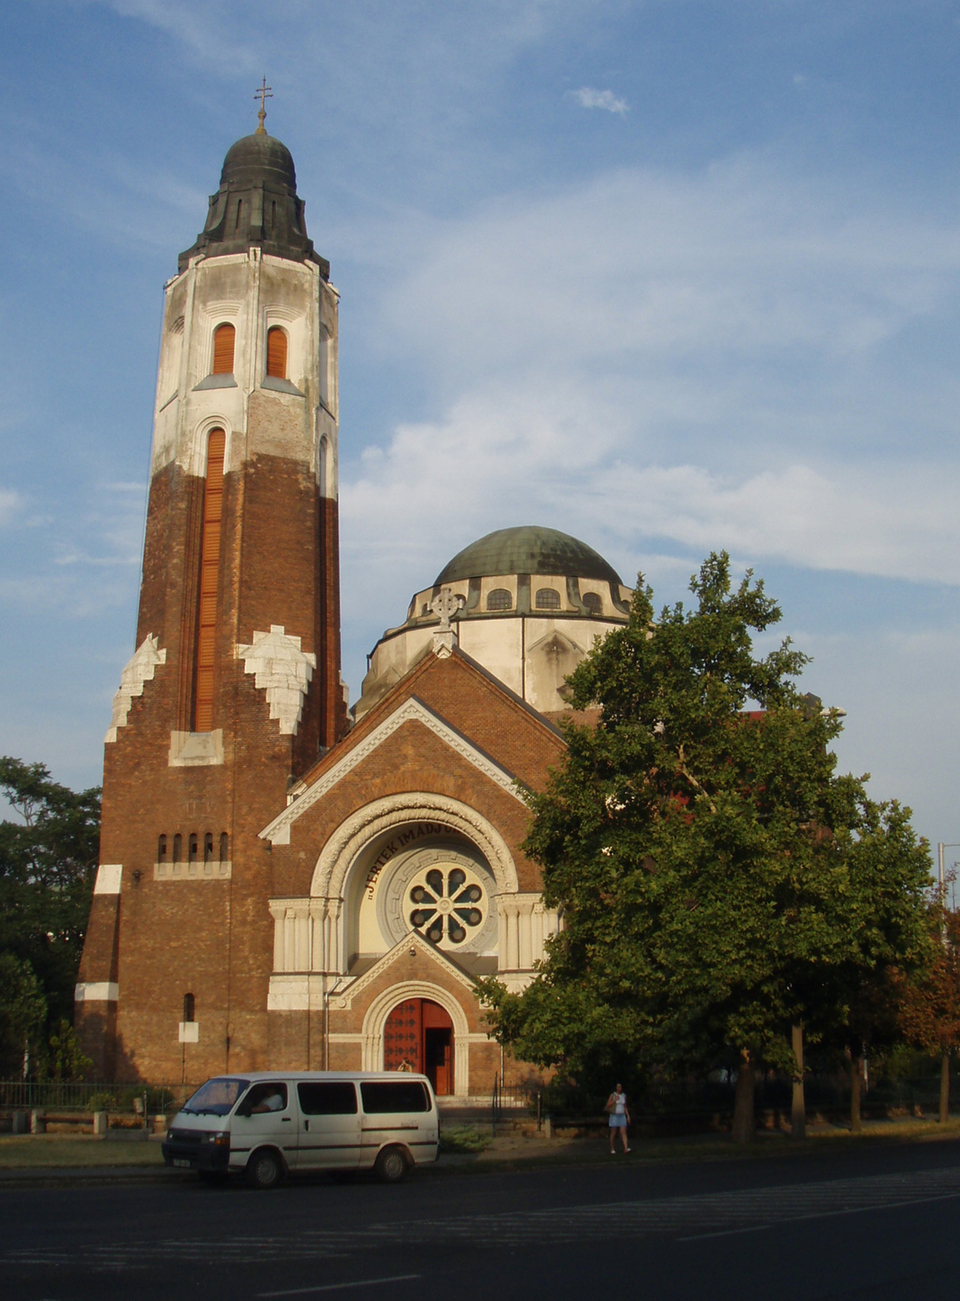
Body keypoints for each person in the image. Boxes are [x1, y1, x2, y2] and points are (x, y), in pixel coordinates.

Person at [606, 1082, 630, 1153]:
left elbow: (625, 1106)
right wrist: (614, 1100)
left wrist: (628, 1116)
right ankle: (612, 1148)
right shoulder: (613, 1095)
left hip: (622, 1115)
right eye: (618, 1087)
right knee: (613, 1133)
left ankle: (626, 1148)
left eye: (620, 1087)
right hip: (614, 1116)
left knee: (623, 1133)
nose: (619, 1088)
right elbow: (608, 1105)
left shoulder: (623, 1095)